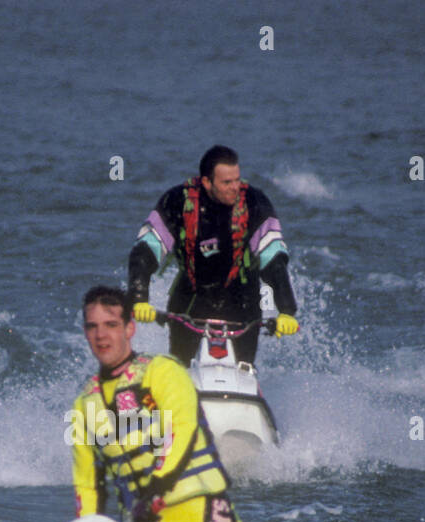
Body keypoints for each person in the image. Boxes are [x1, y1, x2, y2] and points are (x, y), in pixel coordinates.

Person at [69, 285, 313, 522]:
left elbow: (181, 431)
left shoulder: (164, 372)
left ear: (130, 327)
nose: (102, 335)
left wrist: (156, 488)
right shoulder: (84, 404)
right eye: (93, 326)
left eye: (111, 324)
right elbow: (87, 482)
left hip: (203, 518)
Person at [127, 144, 300, 366]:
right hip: (190, 303)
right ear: (207, 182)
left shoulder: (255, 203)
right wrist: (139, 298)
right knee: (178, 369)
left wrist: (286, 310)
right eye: (226, 182)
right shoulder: (178, 202)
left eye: (237, 180)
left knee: (244, 370)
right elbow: (144, 251)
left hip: (243, 304)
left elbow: (274, 259)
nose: (235, 187)